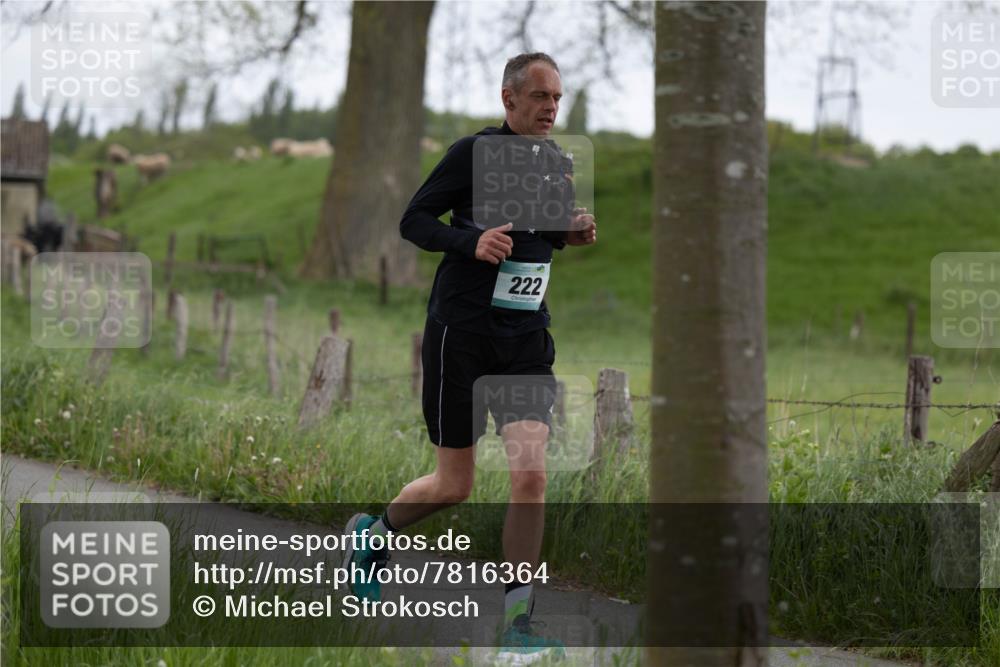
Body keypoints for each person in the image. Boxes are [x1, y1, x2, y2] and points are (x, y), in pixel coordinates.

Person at [343, 52, 597, 665]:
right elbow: (413, 221)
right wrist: (471, 240)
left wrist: (571, 231)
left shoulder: (558, 163)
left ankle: (518, 628)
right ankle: (372, 535)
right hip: (462, 334)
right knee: (455, 484)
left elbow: (543, 233)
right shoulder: (471, 155)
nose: (550, 109)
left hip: (525, 340)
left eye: (557, 99)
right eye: (540, 97)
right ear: (509, 99)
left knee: (531, 474)